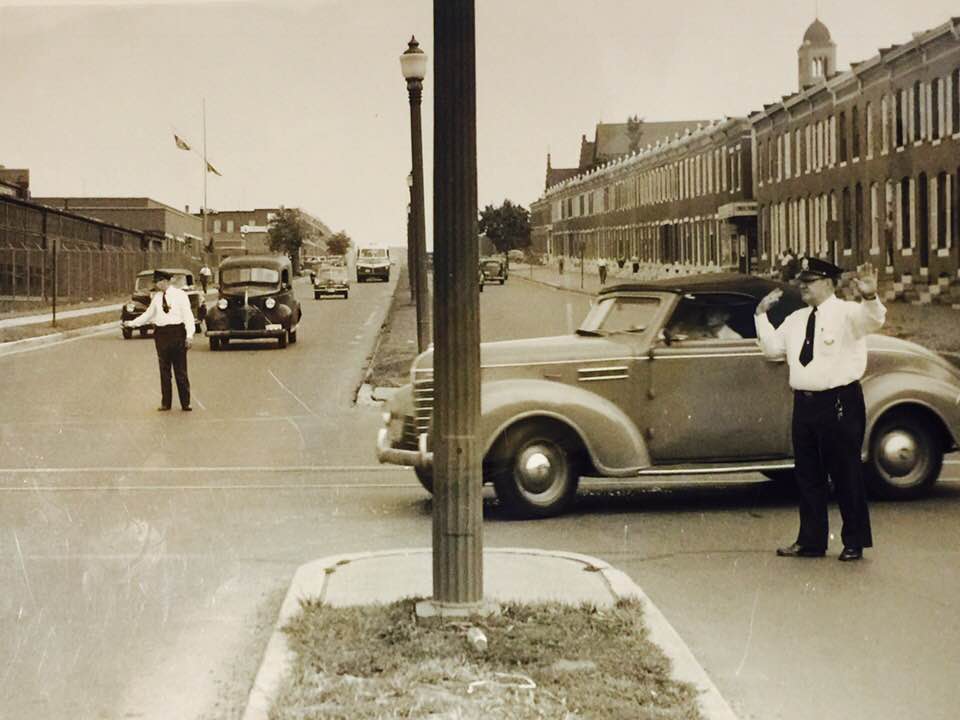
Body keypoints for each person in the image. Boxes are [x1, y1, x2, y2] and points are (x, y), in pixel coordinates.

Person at [754, 258, 886, 562]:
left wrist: (869, 295)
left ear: (828, 283)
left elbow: (874, 320)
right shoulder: (797, 318)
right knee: (808, 476)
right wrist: (761, 315)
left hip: (839, 403)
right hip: (805, 404)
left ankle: (854, 541)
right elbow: (773, 348)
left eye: (809, 282)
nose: (802, 286)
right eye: (801, 281)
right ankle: (811, 541)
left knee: (846, 474)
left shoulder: (848, 313)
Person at [124, 269, 195, 412]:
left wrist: (189, 335)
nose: (157, 285)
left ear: (166, 281)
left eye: (158, 282)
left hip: (177, 333)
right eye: (155, 283)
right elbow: (148, 315)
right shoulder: (156, 298)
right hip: (162, 335)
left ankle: (185, 403)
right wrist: (131, 324)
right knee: (164, 371)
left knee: (180, 371)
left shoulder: (180, 295)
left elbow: (188, 316)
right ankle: (166, 403)